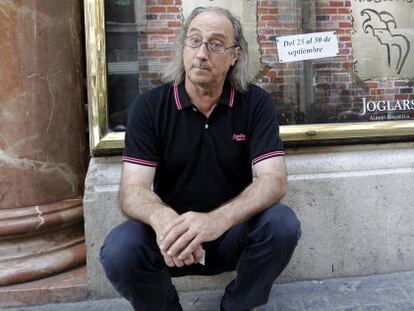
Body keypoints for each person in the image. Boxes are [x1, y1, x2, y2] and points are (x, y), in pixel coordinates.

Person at [100, 6, 301, 311]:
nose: (202, 53)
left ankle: (238, 305)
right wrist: (163, 220)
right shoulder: (150, 107)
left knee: (282, 224)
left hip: (230, 234)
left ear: (234, 55)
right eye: (194, 41)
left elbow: (273, 181)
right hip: (171, 241)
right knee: (119, 249)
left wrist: (214, 222)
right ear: (183, 48)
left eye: (216, 44)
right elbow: (132, 190)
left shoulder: (255, 103)